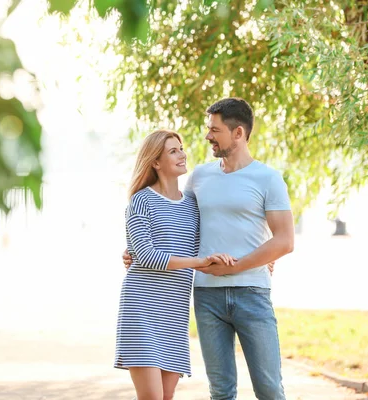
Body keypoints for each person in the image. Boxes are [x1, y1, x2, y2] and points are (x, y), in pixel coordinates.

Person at [123, 98, 294, 400]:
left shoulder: (268, 178)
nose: (207, 137)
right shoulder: (200, 177)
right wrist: (135, 250)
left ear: (238, 133)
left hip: (252, 293)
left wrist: (245, 263)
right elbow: (176, 221)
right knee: (221, 391)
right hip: (206, 296)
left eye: (214, 130)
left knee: (268, 388)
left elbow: (284, 241)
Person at [115, 129, 234, 400]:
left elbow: (217, 235)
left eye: (181, 148)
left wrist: (263, 260)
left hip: (174, 313)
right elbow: (145, 255)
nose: (182, 154)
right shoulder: (141, 200)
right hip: (141, 309)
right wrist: (199, 262)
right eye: (173, 150)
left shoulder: (192, 204)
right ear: (155, 162)